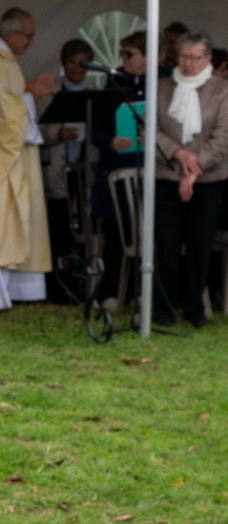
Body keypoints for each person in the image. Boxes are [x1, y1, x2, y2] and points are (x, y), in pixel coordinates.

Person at [0, 7, 56, 310]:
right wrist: (30, 93)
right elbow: (1, 114)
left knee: (16, 218)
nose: (30, 42)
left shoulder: (4, 62)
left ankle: (17, 289)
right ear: (11, 33)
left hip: (14, 156)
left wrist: (27, 92)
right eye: (27, 35)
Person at [151, 32, 228, 326]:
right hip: (166, 174)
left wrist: (193, 172)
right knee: (166, 243)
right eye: (183, 56)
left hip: (209, 180)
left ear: (208, 59)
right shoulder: (160, 87)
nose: (188, 63)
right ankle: (163, 309)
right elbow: (151, 130)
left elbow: (222, 140)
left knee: (199, 245)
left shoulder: (222, 90)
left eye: (195, 58)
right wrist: (179, 155)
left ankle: (195, 308)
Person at [93, 32, 151, 307]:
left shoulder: (161, 84)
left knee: (148, 232)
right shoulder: (114, 82)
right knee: (116, 233)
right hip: (116, 169)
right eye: (123, 54)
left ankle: (143, 292)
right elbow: (96, 127)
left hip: (150, 171)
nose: (124, 60)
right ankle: (112, 292)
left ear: (148, 56)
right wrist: (110, 141)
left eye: (130, 54)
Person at [40, 38, 95, 302]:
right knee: (60, 229)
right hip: (58, 172)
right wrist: (58, 133)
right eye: (72, 62)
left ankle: (87, 284)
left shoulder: (96, 92)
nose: (77, 68)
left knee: (88, 229)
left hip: (88, 172)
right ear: (63, 64)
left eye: (82, 62)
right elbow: (35, 132)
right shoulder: (49, 94)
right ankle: (60, 287)